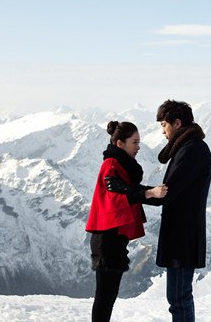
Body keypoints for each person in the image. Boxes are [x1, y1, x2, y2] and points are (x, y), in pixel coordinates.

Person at [85, 121, 167, 322]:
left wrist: (158, 195)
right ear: (120, 144)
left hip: (114, 238)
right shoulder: (110, 165)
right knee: (105, 296)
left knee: (108, 296)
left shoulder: (121, 165)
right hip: (107, 239)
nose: (139, 146)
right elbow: (117, 190)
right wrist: (149, 193)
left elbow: (131, 190)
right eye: (135, 142)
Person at [155, 100, 211, 322]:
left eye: (163, 125)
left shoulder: (191, 150)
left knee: (179, 298)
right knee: (178, 298)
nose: (162, 131)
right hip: (182, 235)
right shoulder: (189, 147)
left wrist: (140, 194)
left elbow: (168, 192)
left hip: (183, 237)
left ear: (177, 123)